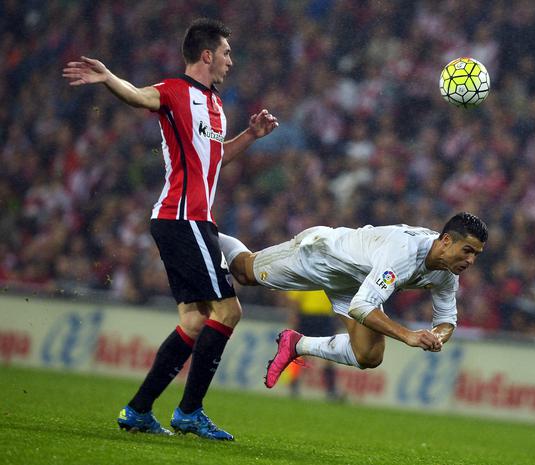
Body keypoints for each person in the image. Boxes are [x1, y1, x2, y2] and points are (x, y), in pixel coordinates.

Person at [62, 18, 278, 440]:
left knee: (195, 322)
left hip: (189, 220)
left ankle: (139, 409)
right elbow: (139, 95)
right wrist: (108, 78)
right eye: (227, 53)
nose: (232, 61)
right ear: (207, 55)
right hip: (183, 218)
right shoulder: (175, 92)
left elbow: (215, 159)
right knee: (229, 311)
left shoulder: (216, 104)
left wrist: (250, 136)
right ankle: (189, 411)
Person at [218, 212, 487, 388]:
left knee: (369, 355)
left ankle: (297, 344)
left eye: (476, 254)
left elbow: (446, 320)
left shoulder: (448, 273)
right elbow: (362, 307)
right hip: (322, 256)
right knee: (244, 272)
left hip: (354, 281)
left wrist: (437, 336)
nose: (471, 261)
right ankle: (199, 227)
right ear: (446, 240)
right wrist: (408, 335)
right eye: (467, 251)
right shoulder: (403, 252)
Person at [283, 290, 341, 400]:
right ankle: (293, 384)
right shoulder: (308, 275)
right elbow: (295, 299)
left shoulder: (328, 276)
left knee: (329, 354)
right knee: (300, 352)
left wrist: (336, 320)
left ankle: (331, 390)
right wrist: (294, 316)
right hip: (306, 317)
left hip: (325, 318)